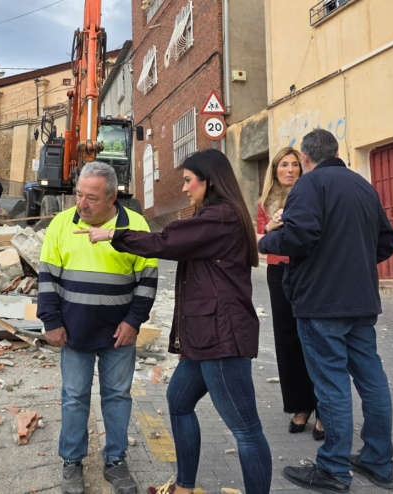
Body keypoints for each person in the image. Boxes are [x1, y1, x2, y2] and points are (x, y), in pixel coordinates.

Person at [77, 149, 272, 494]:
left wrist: (113, 234)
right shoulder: (216, 216)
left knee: (245, 428)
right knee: (179, 402)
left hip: (221, 336)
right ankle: (183, 488)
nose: (184, 188)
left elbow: (165, 242)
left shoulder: (220, 217)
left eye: (187, 180)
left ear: (208, 181)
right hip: (205, 335)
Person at [259, 129, 393, 494]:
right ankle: (378, 461)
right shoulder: (363, 186)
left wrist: (266, 241)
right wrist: (355, 261)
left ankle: (334, 468)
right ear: (336, 152)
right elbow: (387, 241)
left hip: (321, 302)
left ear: (305, 158)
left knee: (332, 384)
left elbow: (299, 238)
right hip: (362, 300)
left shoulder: (310, 185)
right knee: (372, 380)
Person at [37, 161, 158, 494]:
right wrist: (51, 321)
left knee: (117, 397)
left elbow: (147, 280)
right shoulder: (62, 224)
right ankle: (72, 462)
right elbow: (47, 277)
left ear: (111, 198)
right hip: (74, 331)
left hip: (119, 333)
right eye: (79, 194)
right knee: (74, 397)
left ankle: (116, 462)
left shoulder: (135, 226)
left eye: (90, 197)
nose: (82, 204)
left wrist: (134, 321)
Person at [256, 146, 323, 441]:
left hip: (306, 271)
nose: (290, 169)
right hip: (277, 272)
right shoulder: (264, 203)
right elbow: (258, 242)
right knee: (287, 339)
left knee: (315, 338)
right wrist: (273, 226)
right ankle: (300, 406)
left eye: (295, 164)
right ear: (275, 170)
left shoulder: (311, 196)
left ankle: (324, 409)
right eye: (284, 165)